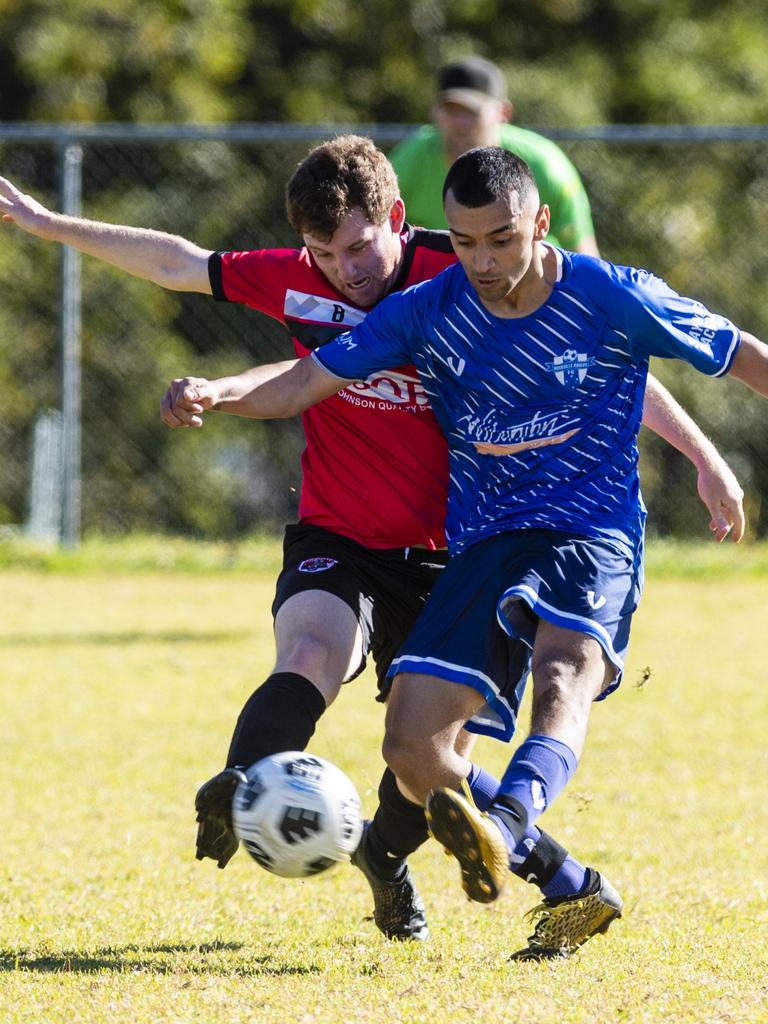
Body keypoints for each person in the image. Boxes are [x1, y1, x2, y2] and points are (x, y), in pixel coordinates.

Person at [0, 143, 743, 955]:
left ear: (395, 219)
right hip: (343, 533)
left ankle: (423, 864)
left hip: (456, 547)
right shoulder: (335, 280)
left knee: (422, 763)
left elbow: (613, 355)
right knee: (316, 652)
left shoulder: (458, 267)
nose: (345, 270)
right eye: (326, 254)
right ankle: (242, 780)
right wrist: (48, 228)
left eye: (358, 248)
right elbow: (201, 282)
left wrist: (703, 456)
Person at [389, 56, 598, 254]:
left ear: (503, 112)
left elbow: (584, 256)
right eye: (451, 110)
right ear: (434, 111)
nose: (460, 122)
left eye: (471, 111)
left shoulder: (545, 165)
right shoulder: (409, 160)